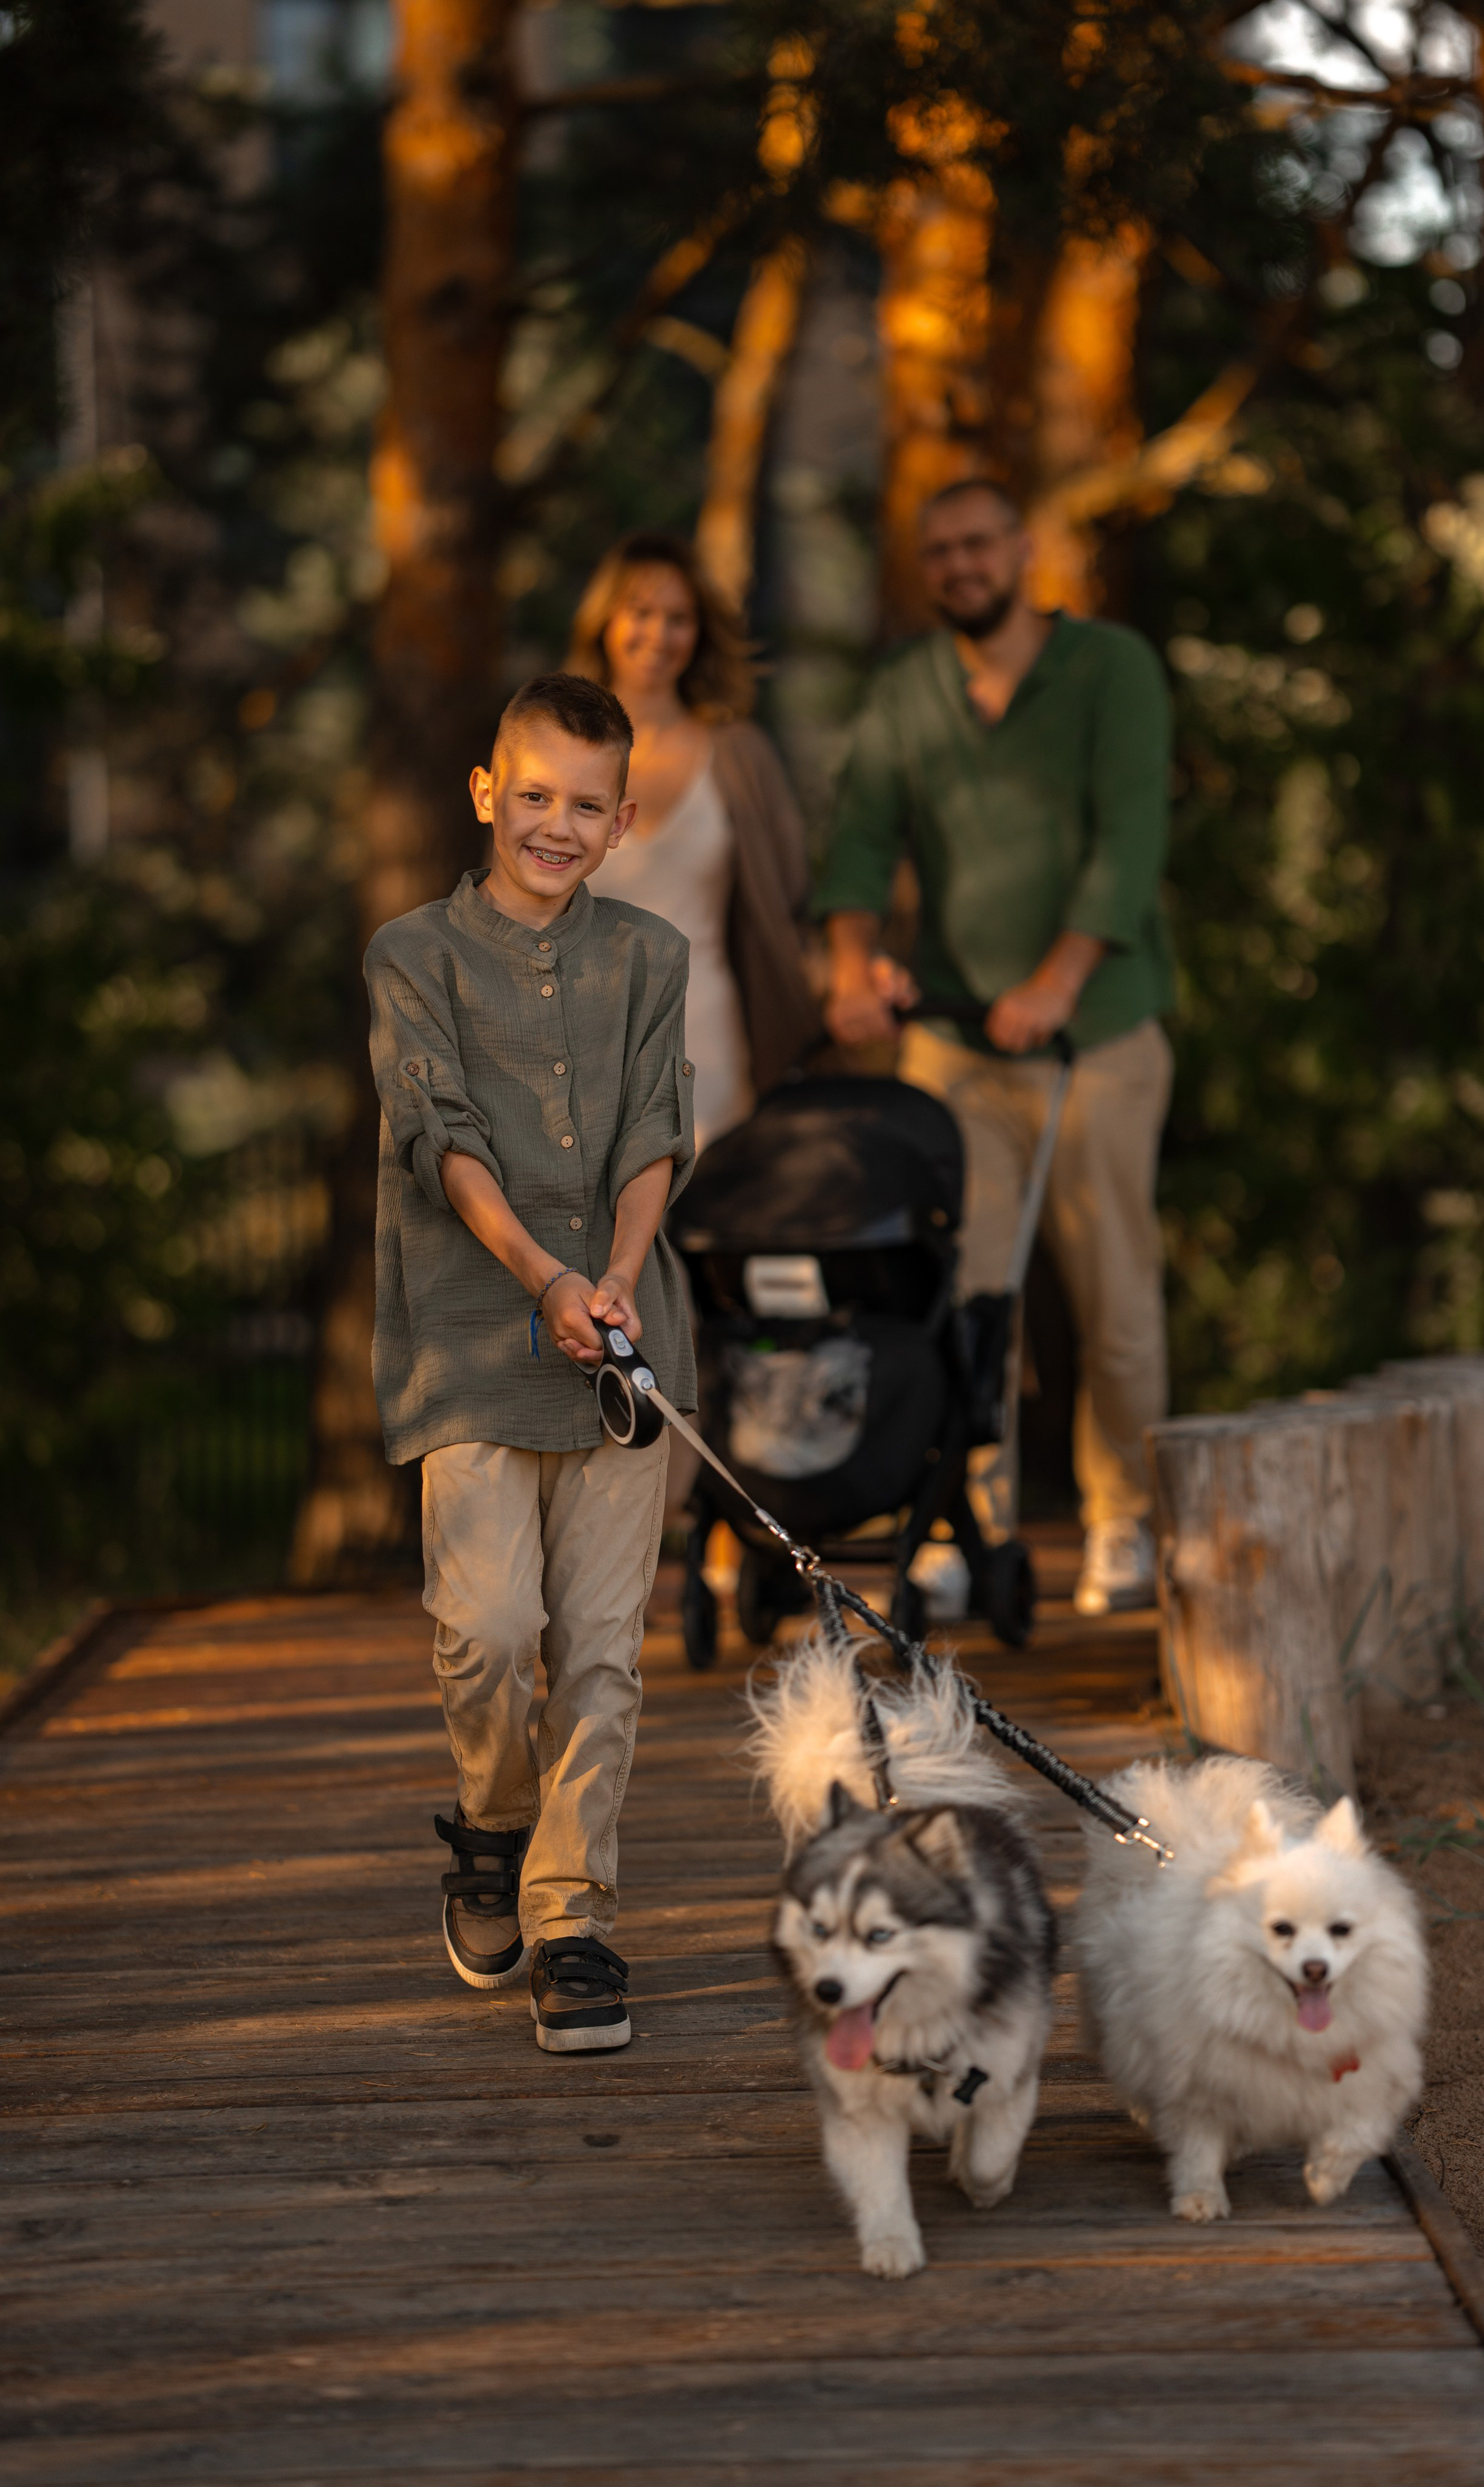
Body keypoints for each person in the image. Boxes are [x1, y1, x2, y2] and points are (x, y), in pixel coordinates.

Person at [365, 671, 695, 2052]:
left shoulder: (650, 958)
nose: (555, 826)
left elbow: (652, 1136)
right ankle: (495, 1829)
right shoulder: (409, 957)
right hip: (471, 1340)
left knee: (605, 1653)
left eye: (586, 806)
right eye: (533, 796)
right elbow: (440, 1139)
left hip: (622, 1349)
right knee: (489, 1632)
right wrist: (541, 1278)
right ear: (487, 795)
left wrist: (613, 1278)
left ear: (621, 821)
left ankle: (570, 1917)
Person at [817, 479, 1175, 1615]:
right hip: (958, 1049)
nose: (962, 564)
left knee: (1113, 1294)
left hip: (1096, 1038)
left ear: (1022, 549)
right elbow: (861, 840)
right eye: (941, 550)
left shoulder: (1110, 670)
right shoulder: (909, 691)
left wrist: (1056, 983)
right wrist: (849, 967)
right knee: (962, 1298)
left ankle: (1125, 1524)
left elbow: (1130, 839)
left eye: (980, 543)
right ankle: (967, 1525)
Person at [568, 530, 819, 1146]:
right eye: (641, 612)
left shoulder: (740, 755)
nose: (658, 634)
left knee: (710, 1231)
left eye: (679, 618)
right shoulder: (555, 755)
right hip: (574, 1051)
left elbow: (794, 909)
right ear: (605, 620)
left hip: (708, 1043)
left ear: (701, 633)